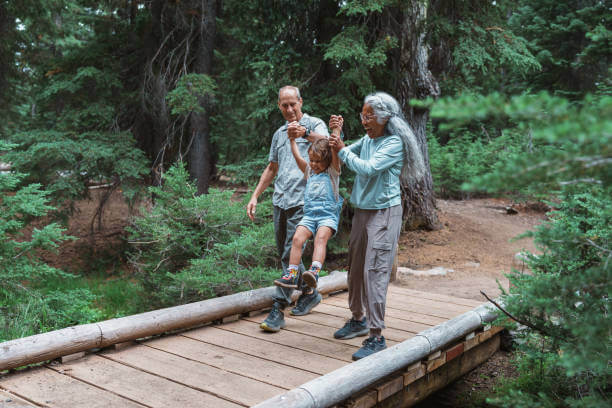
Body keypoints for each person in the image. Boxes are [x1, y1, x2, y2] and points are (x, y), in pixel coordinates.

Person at [329, 92, 425, 360]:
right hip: (363, 212)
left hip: (385, 212)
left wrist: (341, 148)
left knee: (375, 270)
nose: (364, 121)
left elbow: (367, 168)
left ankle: (376, 335)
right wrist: (336, 135)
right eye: (362, 115)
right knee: (356, 266)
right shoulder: (368, 139)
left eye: (368, 116)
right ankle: (358, 318)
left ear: (383, 117)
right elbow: (347, 153)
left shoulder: (393, 144)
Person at [247, 85, 329, 332]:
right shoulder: (279, 133)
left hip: (305, 200)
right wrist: (254, 196)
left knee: (286, 253)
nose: (290, 109)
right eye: (285, 105)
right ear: (279, 106)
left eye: (293, 103)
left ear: (301, 101)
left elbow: (328, 146)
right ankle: (309, 292)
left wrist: (303, 134)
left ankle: (277, 308)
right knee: (285, 252)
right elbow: (272, 167)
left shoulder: (315, 124)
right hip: (280, 200)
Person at [273, 124, 343, 290]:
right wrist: (292, 142)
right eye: (312, 160)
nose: (314, 164)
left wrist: (336, 130)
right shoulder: (309, 172)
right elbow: (298, 158)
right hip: (310, 216)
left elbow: (334, 148)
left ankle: (314, 271)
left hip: (327, 216)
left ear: (327, 162)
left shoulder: (333, 172)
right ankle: (291, 275)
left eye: (318, 161)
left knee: (320, 239)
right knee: (296, 239)